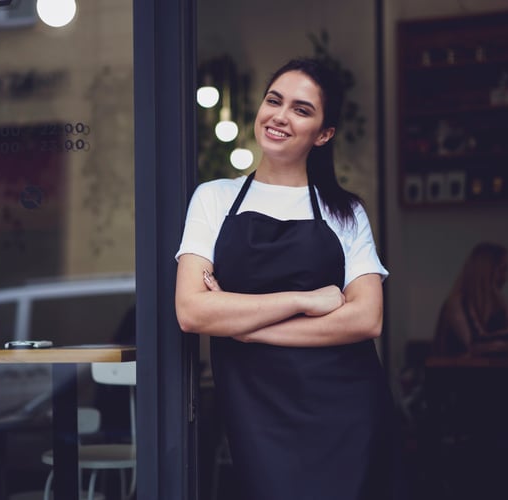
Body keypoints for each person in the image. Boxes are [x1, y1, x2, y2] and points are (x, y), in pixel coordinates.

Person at [175, 58, 402, 500]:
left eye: (301, 109)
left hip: (347, 411)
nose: (279, 115)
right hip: (257, 412)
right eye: (274, 100)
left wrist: (247, 329)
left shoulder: (346, 212)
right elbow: (192, 310)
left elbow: (366, 319)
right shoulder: (214, 199)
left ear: (324, 134)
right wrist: (306, 299)